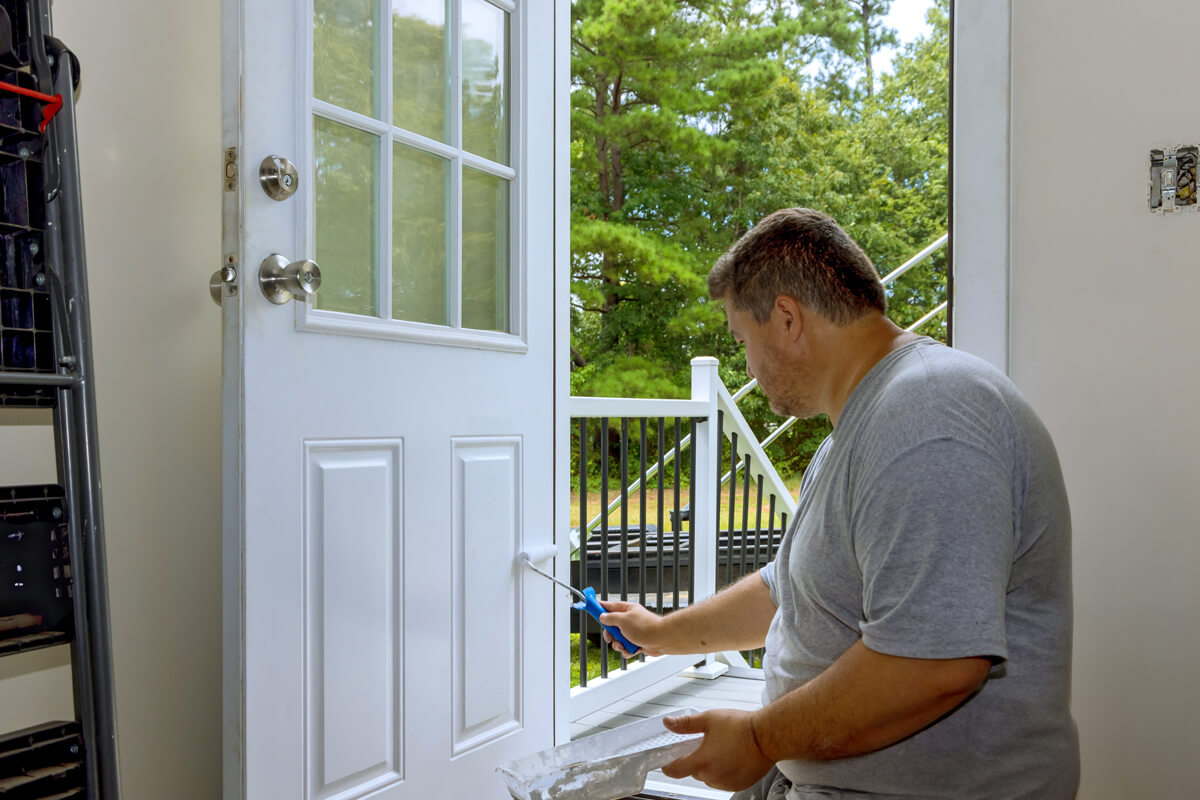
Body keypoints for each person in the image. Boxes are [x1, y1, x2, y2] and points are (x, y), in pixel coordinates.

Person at [598, 208, 1079, 799]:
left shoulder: (930, 414)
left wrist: (759, 739)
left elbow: (932, 664)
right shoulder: (862, 426)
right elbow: (791, 592)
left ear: (786, 319)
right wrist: (660, 633)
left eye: (742, 341)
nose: (748, 367)